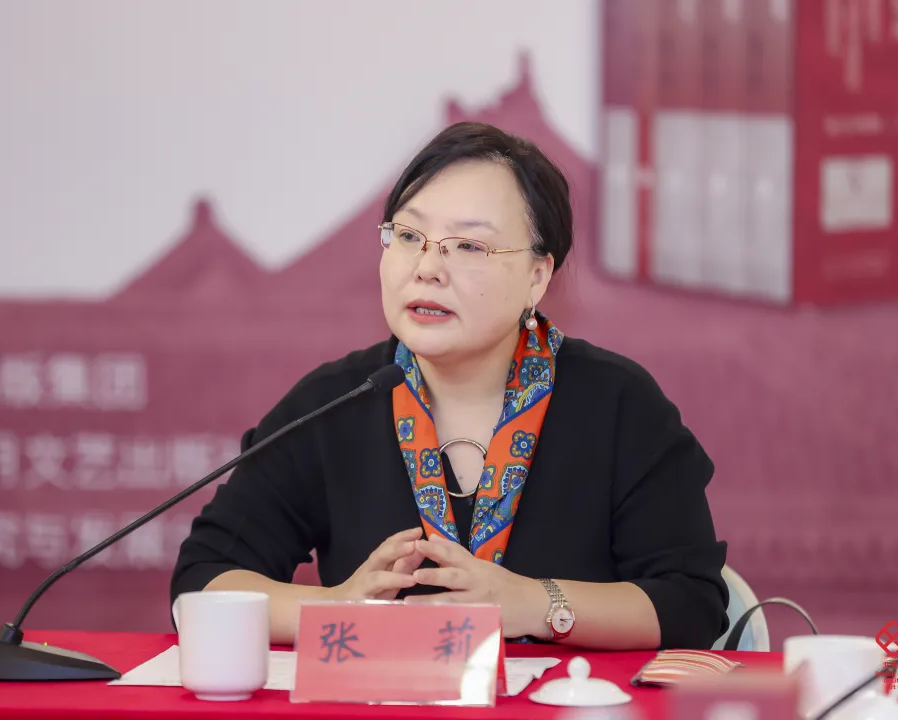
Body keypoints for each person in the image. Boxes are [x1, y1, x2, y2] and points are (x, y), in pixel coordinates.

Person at [171, 121, 729, 651]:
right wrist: (336, 607)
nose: (427, 268)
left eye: (468, 246)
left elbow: (690, 603)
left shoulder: (618, 405)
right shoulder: (334, 404)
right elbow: (204, 582)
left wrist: (535, 604)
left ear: (537, 276)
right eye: (408, 235)